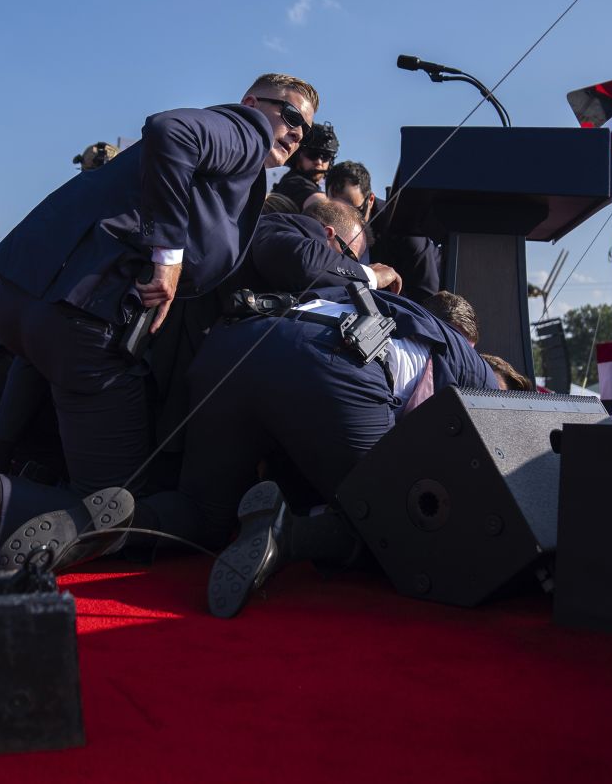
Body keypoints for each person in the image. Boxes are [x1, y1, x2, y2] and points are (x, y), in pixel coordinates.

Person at [0, 73, 320, 585]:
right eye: (288, 116)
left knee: (78, 464)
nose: (293, 134)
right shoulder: (244, 130)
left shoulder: (237, 169)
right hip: (83, 317)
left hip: (32, 302)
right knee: (109, 505)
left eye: (304, 130)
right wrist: (168, 256)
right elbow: (172, 130)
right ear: (251, 103)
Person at [183, 285, 497, 618]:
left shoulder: (379, 305)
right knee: (395, 526)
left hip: (235, 340)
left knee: (202, 514)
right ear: (465, 338)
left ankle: (134, 522)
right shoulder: (472, 363)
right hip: (330, 360)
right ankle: (287, 536)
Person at [228, 199, 402, 296]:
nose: (349, 265)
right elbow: (302, 259)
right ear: (328, 233)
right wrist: (370, 276)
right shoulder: (276, 226)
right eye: (348, 256)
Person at [271, 121, 338, 210]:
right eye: (313, 154)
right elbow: (325, 209)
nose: (319, 161)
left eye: (325, 156)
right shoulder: (293, 183)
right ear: (298, 155)